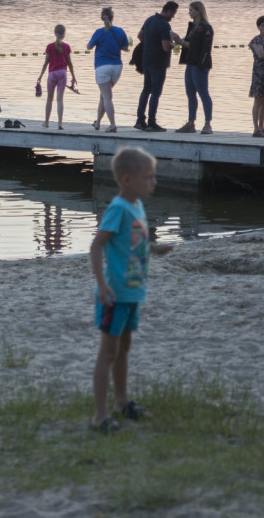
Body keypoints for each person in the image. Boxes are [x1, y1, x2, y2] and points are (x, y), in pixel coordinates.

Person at [89, 146, 172, 432]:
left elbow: (130, 244)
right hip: (115, 293)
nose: (154, 182)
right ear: (127, 180)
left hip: (133, 291)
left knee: (124, 347)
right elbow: (97, 245)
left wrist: (153, 249)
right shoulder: (118, 208)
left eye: (153, 177)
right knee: (108, 352)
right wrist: (101, 285)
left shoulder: (137, 206)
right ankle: (100, 415)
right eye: (148, 177)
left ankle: (121, 402)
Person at [135, 1, 180, 132]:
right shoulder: (165, 25)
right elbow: (166, 47)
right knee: (155, 93)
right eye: (174, 14)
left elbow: (140, 36)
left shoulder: (150, 20)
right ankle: (151, 123)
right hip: (159, 64)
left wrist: (151, 44)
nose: (174, 17)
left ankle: (140, 121)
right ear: (170, 11)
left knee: (146, 90)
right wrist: (176, 44)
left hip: (146, 61)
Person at [174, 1, 215, 135]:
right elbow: (190, 45)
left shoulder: (206, 27)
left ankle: (208, 124)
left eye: (191, 10)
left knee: (203, 93)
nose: (189, 13)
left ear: (198, 11)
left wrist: (181, 43)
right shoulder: (193, 27)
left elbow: (202, 48)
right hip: (190, 63)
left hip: (200, 64)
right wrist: (180, 42)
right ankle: (191, 123)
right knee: (190, 93)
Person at [86, 7, 129, 133]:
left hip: (102, 66)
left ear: (102, 17)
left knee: (107, 97)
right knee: (103, 96)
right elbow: (125, 48)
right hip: (116, 67)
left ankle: (112, 125)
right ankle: (98, 123)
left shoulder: (99, 32)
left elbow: (89, 47)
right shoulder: (120, 31)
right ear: (112, 17)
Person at [36, 24, 77, 129]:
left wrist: (40, 76)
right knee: (60, 100)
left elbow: (46, 63)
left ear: (55, 33)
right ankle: (59, 123)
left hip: (52, 74)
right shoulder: (67, 47)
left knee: (49, 99)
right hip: (63, 74)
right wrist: (73, 76)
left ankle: (46, 123)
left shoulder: (49, 47)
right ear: (64, 34)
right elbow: (70, 63)